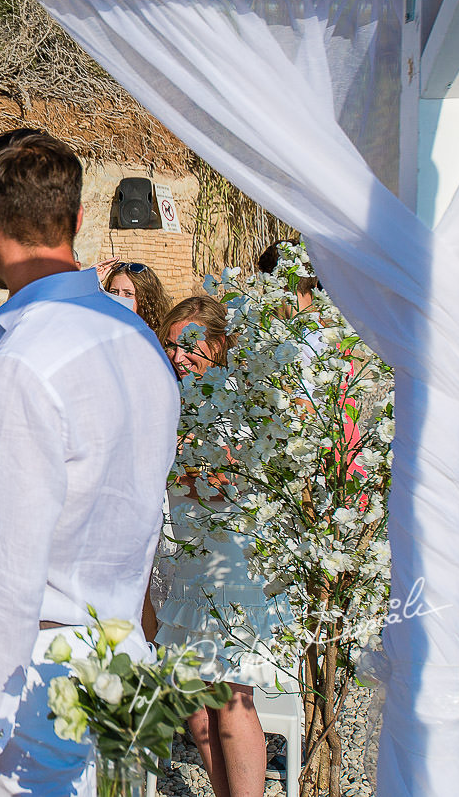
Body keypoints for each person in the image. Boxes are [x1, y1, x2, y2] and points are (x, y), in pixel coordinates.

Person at [0, 130, 180, 797]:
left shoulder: (22, 363)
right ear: (79, 219)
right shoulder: (143, 345)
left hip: (40, 678)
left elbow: (0, 570)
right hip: (125, 663)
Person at [155, 296, 284, 797]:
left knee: (230, 695)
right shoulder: (178, 397)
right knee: (193, 694)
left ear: (218, 344)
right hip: (188, 560)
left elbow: (231, 480)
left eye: (188, 345)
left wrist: (178, 469)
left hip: (228, 563)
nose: (178, 355)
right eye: (171, 345)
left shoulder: (234, 397)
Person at [102, 260, 171, 332]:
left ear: (147, 299)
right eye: (114, 292)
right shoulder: (104, 330)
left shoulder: (161, 337)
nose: (119, 298)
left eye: (128, 294)